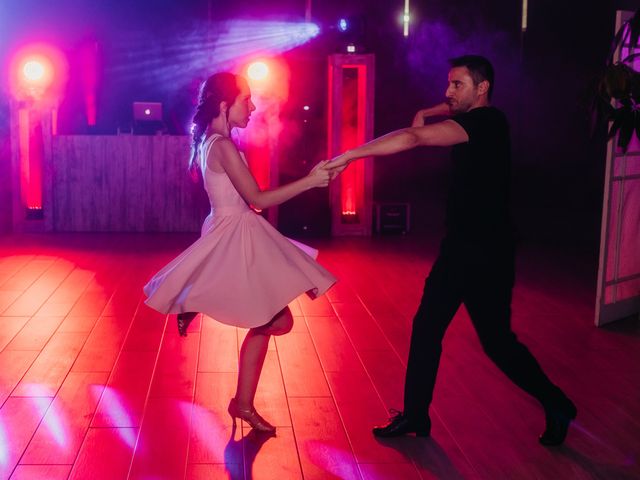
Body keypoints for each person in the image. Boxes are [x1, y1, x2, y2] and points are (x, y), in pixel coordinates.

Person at [326, 55, 576, 446]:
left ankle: (557, 401)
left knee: (497, 343)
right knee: (427, 327)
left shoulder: (487, 123)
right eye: (448, 84)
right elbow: (442, 112)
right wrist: (427, 110)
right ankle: (415, 416)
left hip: (487, 254)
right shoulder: (473, 116)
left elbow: (413, 138)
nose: (447, 92)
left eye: (456, 85)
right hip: (459, 248)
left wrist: (350, 155)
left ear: (483, 88)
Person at [143, 72, 336, 434]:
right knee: (275, 321)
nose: (253, 106)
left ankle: (242, 402)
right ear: (223, 104)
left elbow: (248, 201)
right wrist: (310, 181)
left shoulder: (211, 142)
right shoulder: (222, 146)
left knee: (268, 320)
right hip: (236, 235)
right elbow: (258, 199)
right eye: (246, 99)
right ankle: (195, 303)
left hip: (232, 229)